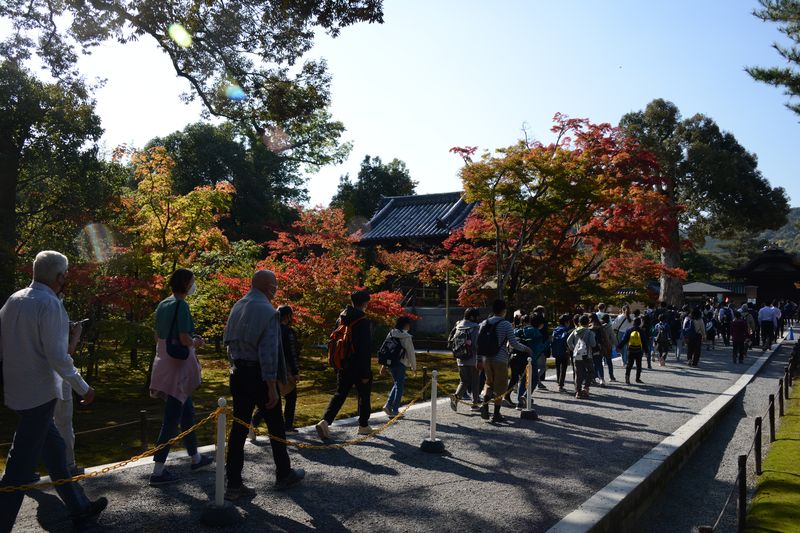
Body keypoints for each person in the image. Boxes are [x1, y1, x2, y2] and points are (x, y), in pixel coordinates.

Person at [0, 251, 107, 531]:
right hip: (39, 393)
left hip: (17, 390)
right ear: (60, 277)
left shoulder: (14, 299)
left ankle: (80, 508)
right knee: (18, 469)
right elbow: (58, 357)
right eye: (66, 273)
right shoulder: (50, 304)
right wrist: (83, 387)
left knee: (55, 451)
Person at [224, 270, 304, 500]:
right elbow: (268, 352)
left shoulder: (238, 305)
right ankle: (284, 473)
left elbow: (228, 344)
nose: (276, 289)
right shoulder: (269, 312)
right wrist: (271, 386)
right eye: (275, 285)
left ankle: (234, 483)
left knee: (238, 427)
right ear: (269, 287)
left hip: (237, 373)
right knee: (276, 425)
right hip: (258, 375)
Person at [149, 268, 213, 487]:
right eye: (193, 281)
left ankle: (195, 458)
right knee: (171, 419)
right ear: (186, 283)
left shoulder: (163, 304)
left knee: (187, 413)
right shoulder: (181, 305)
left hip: (164, 361)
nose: (194, 285)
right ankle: (158, 470)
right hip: (179, 366)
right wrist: (197, 342)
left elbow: (158, 335)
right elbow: (185, 338)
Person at [317, 290, 374, 439]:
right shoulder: (363, 321)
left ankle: (325, 421)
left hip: (342, 363)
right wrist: (366, 373)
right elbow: (365, 349)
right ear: (365, 303)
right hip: (358, 365)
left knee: (340, 394)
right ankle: (363, 425)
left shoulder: (341, 319)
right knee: (364, 395)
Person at [249, 304, 301, 442]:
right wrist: (295, 371)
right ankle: (286, 426)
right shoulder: (288, 332)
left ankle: (253, 423)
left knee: (269, 398)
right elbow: (291, 353)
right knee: (288, 397)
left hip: (268, 368)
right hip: (285, 370)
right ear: (288, 316)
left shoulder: (270, 330)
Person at [478, 299, 532, 423]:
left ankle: (485, 407)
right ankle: (496, 414)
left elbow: (479, 343)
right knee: (500, 386)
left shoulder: (484, 322)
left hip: (486, 358)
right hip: (500, 358)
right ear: (503, 310)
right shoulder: (505, 324)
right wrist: (526, 349)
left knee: (488, 383)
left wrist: (479, 359)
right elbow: (513, 343)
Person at [381, 316, 417, 416]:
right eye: (409, 323)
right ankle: (395, 410)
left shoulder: (391, 333)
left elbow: (386, 350)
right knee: (399, 386)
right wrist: (414, 367)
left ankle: (388, 405)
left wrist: (384, 365)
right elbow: (411, 353)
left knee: (397, 384)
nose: (410, 325)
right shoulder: (406, 337)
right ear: (405, 325)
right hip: (401, 363)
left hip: (391, 363)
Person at [448, 308, 481, 412]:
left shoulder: (458, 325)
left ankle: (456, 396)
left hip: (460, 358)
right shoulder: (475, 327)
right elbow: (476, 344)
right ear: (472, 317)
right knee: (475, 381)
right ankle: (475, 404)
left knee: (464, 381)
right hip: (472, 359)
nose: (478, 318)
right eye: (476, 316)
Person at [567, 314, 596, 398]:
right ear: (588, 322)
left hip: (577, 356)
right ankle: (586, 388)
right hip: (587, 355)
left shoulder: (575, 331)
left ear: (579, 322)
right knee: (591, 372)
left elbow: (568, 341)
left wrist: (573, 349)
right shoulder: (590, 332)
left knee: (578, 374)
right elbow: (593, 344)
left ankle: (578, 392)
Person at [619, 317, 646, 384]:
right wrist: (647, 351)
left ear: (633, 323)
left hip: (630, 350)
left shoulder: (629, 330)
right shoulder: (641, 330)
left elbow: (624, 340)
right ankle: (637, 378)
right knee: (639, 364)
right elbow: (644, 341)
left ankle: (627, 378)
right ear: (639, 323)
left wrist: (619, 347)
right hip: (639, 350)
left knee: (629, 364)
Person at [551, 314, 572, 393]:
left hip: (556, 351)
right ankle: (561, 385)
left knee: (558, 367)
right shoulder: (567, 330)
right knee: (563, 368)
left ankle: (558, 382)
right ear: (566, 322)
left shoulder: (555, 329)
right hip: (564, 351)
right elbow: (568, 341)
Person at [599, 314, 617, 381]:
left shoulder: (599, 327)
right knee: (609, 362)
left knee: (599, 362)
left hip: (600, 347)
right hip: (608, 347)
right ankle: (611, 376)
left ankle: (601, 377)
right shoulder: (610, 327)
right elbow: (613, 338)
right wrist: (615, 345)